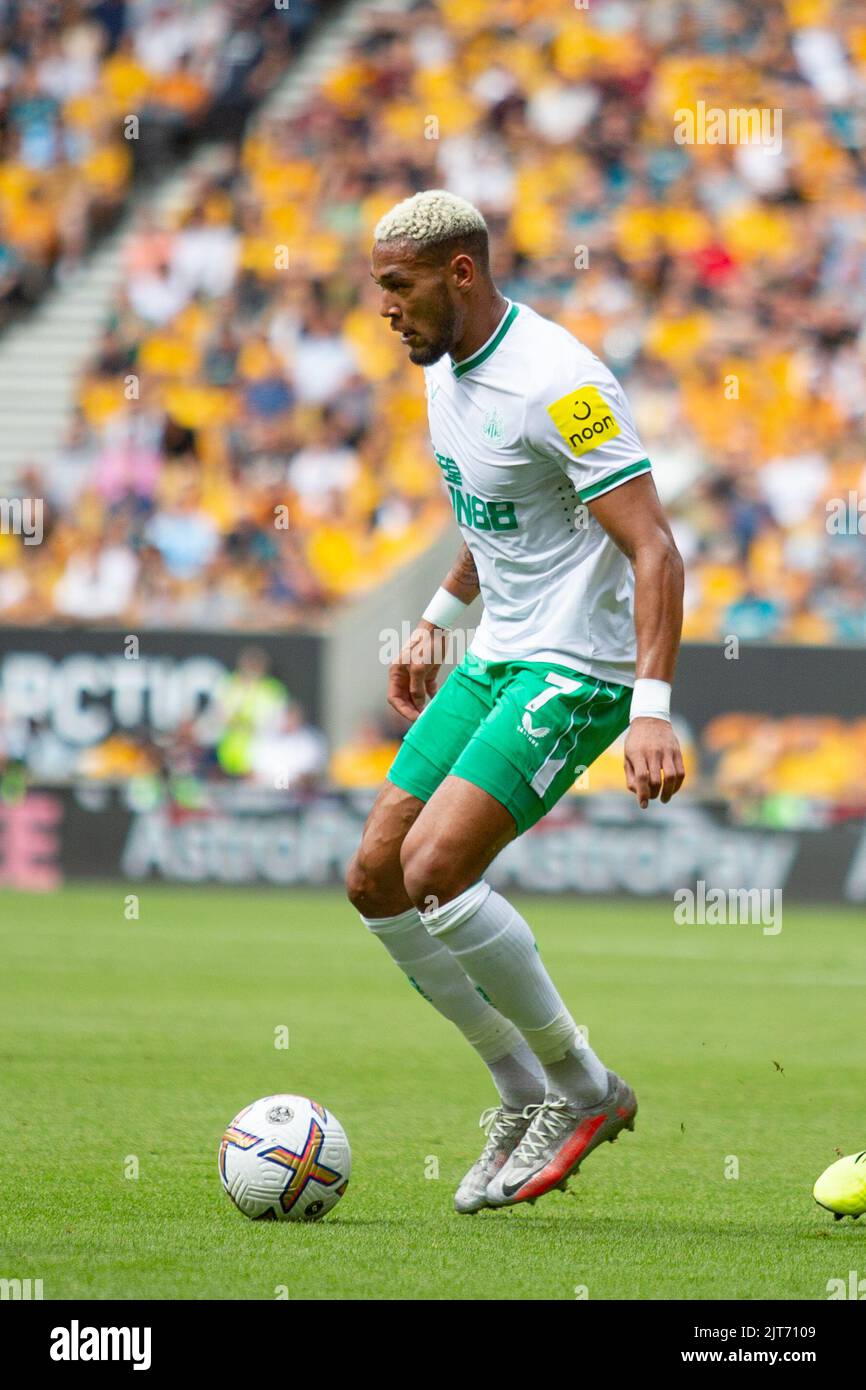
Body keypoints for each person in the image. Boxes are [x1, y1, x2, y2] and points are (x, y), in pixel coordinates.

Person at [346, 189, 685, 1213]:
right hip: (496, 649)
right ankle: (518, 1085)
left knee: (435, 867)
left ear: (460, 273)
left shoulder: (561, 383)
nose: (384, 310)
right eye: (377, 291)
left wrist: (651, 706)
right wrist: (437, 619)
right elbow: (494, 511)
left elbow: (653, 544)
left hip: (576, 665)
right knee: (373, 879)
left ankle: (584, 1089)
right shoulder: (443, 368)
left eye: (397, 288)